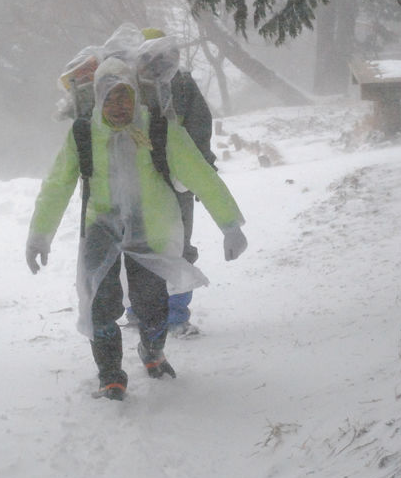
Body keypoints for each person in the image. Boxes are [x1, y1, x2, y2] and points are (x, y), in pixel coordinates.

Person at [26, 56, 247, 400]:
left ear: (136, 96)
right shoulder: (84, 134)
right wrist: (39, 235)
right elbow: (57, 185)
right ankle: (111, 375)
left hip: (151, 228)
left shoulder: (158, 129)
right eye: (110, 97)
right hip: (101, 229)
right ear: (98, 98)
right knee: (101, 304)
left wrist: (230, 224)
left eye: (125, 96)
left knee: (152, 304)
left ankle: (153, 351)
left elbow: (200, 174)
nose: (118, 106)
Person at [124, 27, 217, 337]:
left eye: (164, 56)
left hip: (175, 182)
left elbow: (199, 128)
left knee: (174, 247)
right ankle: (144, 312)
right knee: (139, 246)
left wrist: (200, 173)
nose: (157, 63)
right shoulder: (125, 87)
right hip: (140, 184)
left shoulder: (182, 83)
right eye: (149, 57)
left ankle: (172, 315)